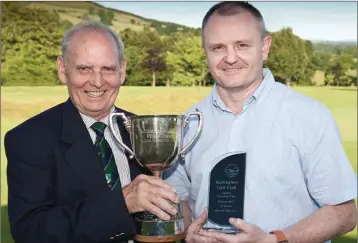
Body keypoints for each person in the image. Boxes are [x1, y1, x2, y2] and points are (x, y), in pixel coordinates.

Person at [163, 2, 357, 243]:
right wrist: (187, 227)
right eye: (217, 48)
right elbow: (178, 199)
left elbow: (344, 214)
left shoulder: (309, 116)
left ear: (264, 48)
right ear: (205, 52)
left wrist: (275, 240)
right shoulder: (188, 122)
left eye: (242, 45)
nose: (230, 58)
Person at [4, 21, 180, 243]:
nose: (97, 82)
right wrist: (122, 203)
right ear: (62, 69)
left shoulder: (142, 129)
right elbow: (30, 232)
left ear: (122, 70)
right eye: (84, 69)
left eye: (108, 69)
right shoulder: (29, 139)